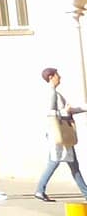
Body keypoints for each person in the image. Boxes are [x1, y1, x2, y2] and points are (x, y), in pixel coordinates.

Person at [36, 66, 87, 202]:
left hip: (58, 134)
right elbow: (51, 114)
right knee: (62, 163)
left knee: (64, 163)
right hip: (58, 134)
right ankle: (40, 190)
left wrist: (79, 109)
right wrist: (65, 111)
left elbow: (66, 111)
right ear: (51, 77)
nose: (60, 77)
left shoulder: (54, 93)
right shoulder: (51, 93)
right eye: (57, 75)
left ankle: (40, 190)